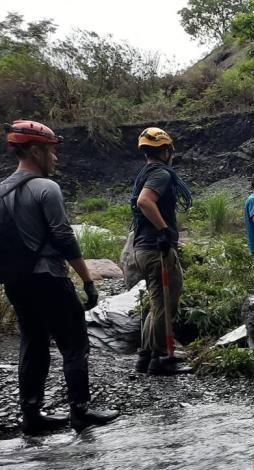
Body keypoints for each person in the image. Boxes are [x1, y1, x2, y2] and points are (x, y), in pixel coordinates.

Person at [1, 120, 119, 434]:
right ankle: (80, 412)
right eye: (52, 152)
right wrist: (88, 281)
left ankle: (32, 416)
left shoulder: (1, 190)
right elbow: (64, 238)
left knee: (33, 341)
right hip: (49, 278)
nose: (55, 158)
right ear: (36, 151)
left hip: (16, 282)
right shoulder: (46, 188)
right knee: (75, 344)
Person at [130, 127, 192, 375]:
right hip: (157, 249)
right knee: (167, 302)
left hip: (143, 249)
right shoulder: (161, 174)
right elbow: (144, 201)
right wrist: (164, 230)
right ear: (165, 150)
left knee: (157, 303)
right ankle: (160, 358)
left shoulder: (145, 172)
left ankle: (145, 357)